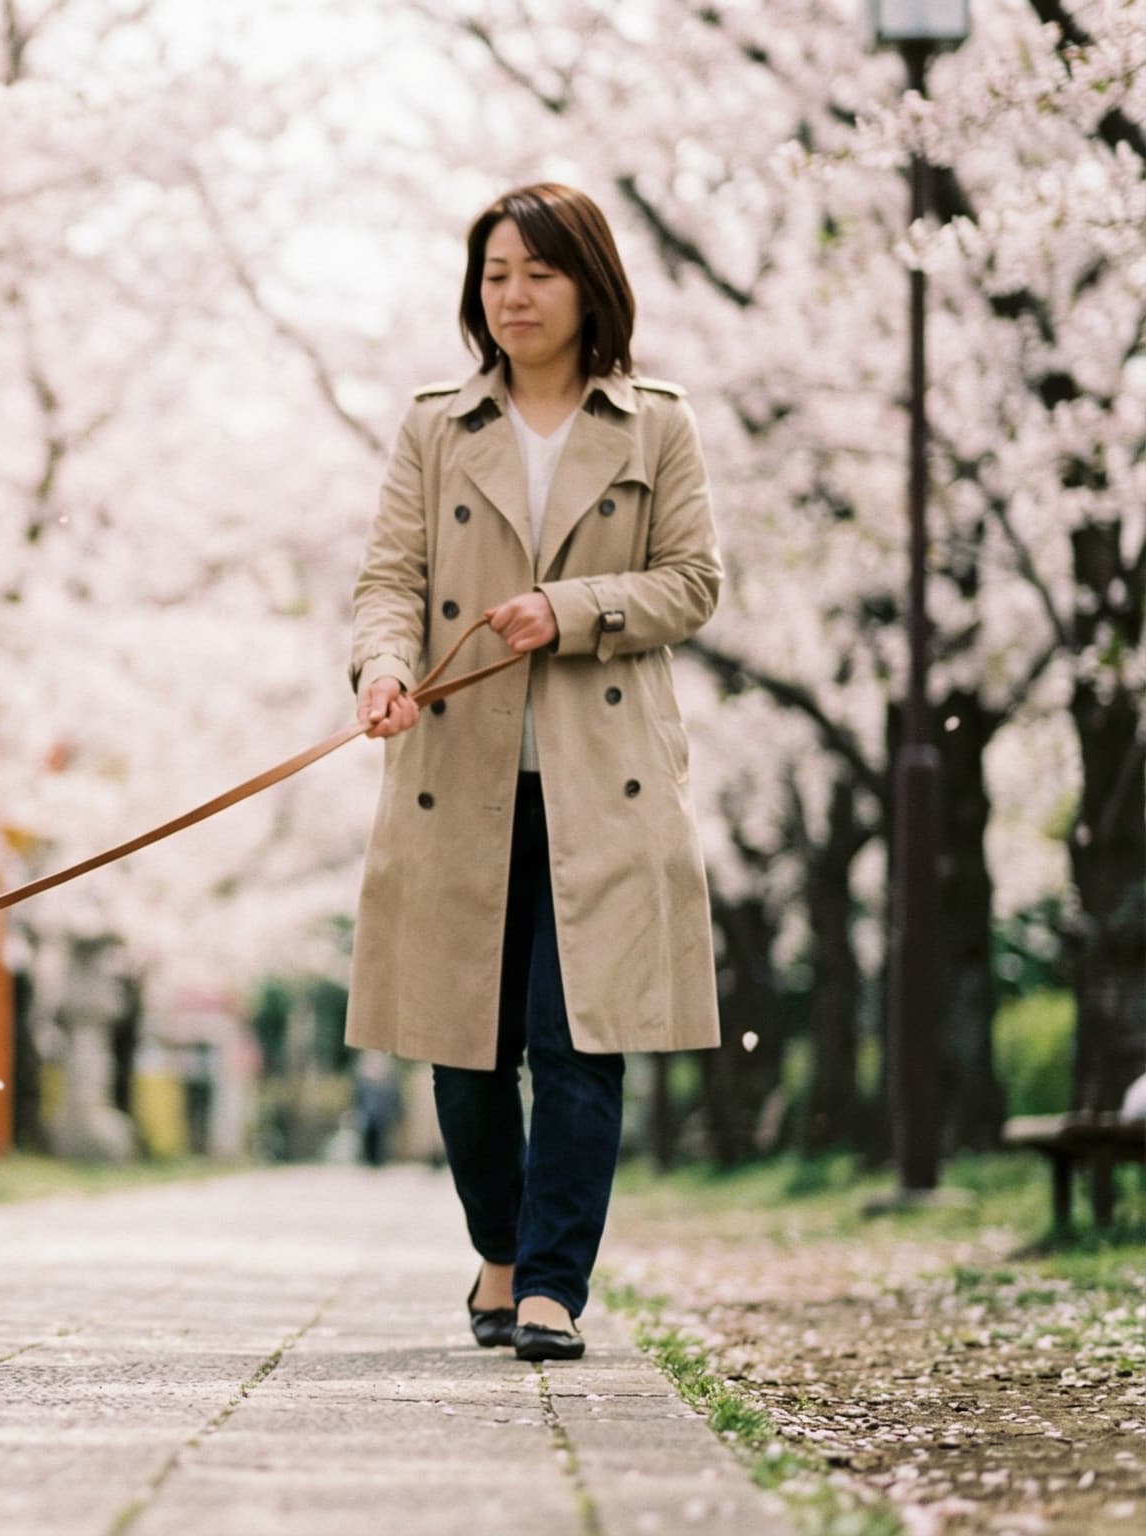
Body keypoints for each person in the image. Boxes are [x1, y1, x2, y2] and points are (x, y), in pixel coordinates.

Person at [344, 182, 724, 1363]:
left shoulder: (654, 423)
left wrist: (569, 610)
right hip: (456, 770)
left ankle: (552, 1288)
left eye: (536, 273)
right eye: (495, 274)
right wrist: (380, 669)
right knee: (464, 1050)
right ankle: (498, 1249)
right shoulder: (436, 426)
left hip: (599, 777)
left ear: (588, 284)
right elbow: (387, 579)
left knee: (578, 1041)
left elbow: (692, 583)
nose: (511, 295)